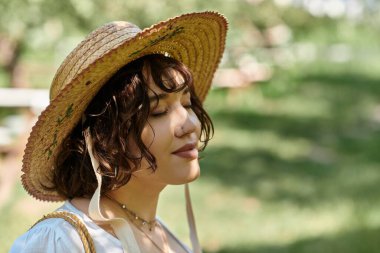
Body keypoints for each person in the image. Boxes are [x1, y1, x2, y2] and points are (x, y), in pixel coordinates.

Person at [10, 11, 227, 253]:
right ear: (105, 136)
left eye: (186, 104)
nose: (190, 124)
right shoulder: (63, 241)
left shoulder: (158, 232)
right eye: (157, 112)